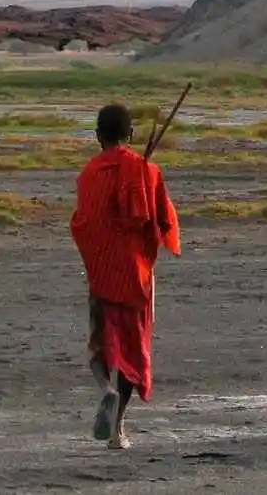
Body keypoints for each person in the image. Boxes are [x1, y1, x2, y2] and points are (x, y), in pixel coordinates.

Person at [69, 103, 181, 450]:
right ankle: (117, 430)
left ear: (97, 136)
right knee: (132, 350)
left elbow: (82, 224)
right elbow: (163, 222)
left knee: (100, 344)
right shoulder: (146, 171)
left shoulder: (89, 173)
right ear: (130, 135)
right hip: (135, 277)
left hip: (102, 273)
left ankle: (106, 389)